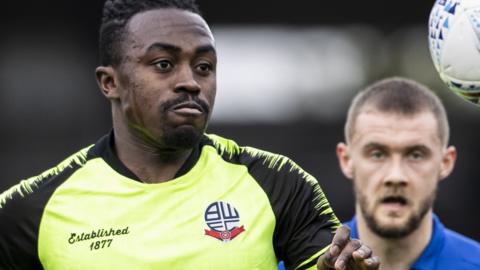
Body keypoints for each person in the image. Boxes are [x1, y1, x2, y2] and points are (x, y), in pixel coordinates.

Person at [0, 1, 379, 269]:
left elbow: (333, 263)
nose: (190, 83)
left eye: (204, 66)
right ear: (110, 82)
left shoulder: (279, 183)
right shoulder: (31, 209)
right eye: (164, 64)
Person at [335, 77, 480, 270]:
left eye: (416, 155)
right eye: (377, 154)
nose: (395, 176)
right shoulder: (300, 264)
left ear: (446, 162)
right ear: (347, 160)